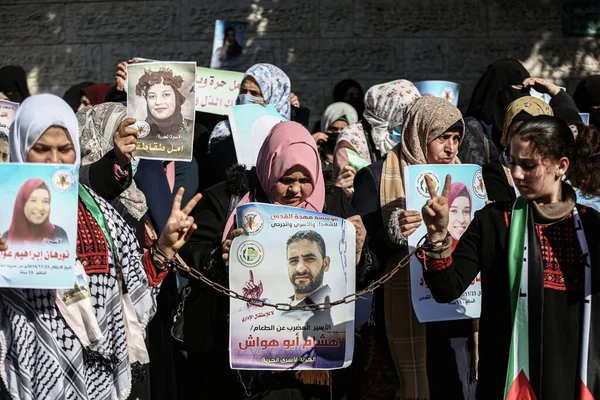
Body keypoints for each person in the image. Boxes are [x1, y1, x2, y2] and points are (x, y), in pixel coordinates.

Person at [0, 93, 201, 400]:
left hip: (99, 380)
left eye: (65, 150)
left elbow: (131, 295)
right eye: (41, 149)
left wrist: (163, 250)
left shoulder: (102, 215)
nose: (55, 161)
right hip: (34, 375)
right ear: (20, 147)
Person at [179, 121, 373, 399]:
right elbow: (189, 253)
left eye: (305, 180)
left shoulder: (333, 203)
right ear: (270, 168)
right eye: (286, 180)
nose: (296, 190)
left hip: (310, 362)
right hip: (240, 362)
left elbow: (367, 271)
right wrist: (221, 255)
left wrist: (359, 253)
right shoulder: (228, 198)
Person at [419, 115, 600, 399]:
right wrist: (438, 237)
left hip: (574, 379)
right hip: (508, 381)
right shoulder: (493, 221)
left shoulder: (591, 228)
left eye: (529, 166)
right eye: (512, 161)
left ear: (560, 166)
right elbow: (447, 289)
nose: (516, 174)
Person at [352, 96, 476, 400]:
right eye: (442, 138)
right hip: (404, 312)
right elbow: (356, 257)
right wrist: (392, 233)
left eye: (456, 138)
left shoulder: (468, 179)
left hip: (454, 311)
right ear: (418, 133)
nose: (451, 148)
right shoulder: (377, 177)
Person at [205, 63, 291, 187]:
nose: (246, 97)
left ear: (274, 97)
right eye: (243, 91)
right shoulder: (223, 130)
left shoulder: (288, 132)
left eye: (255, 94)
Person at [334, 79, 420, 198]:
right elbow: (349, 187)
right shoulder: (352, 139)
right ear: (389, 109)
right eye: (404, 113)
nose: (410, 119)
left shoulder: (405, 133)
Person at [482, 96, 554, 202]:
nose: (520, 142)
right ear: (506, 134)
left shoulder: (556, 168)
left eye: (531, 136)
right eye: (514, 133)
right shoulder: (493, 173)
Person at [134, 68, 193, 143]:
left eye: (166, 94)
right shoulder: (138, 130)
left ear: (177, 98)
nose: (158, 102)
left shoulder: (192, 128)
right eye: (152, 96)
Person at [2, 178, 68, 245]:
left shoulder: (58, 234)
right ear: (22, 203)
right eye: (33, 200)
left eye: (45, 201)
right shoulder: (7, 238)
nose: (40, 207)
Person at [312, 102, 359, 170]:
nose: (338, 133)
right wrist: (310, 147)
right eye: (334, 129)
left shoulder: (358, 156)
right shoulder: (316, 153)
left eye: (344, 130)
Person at [448, 182, 472, 251]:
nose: (461, 220)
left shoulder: (476, 249)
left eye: (466, 211)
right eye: (454, 211)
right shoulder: (431, 251)